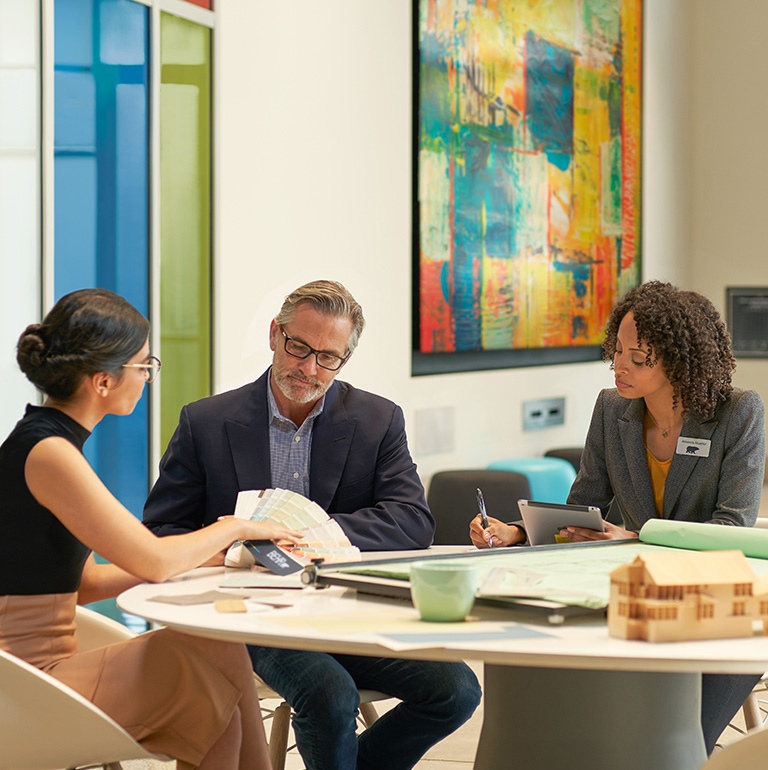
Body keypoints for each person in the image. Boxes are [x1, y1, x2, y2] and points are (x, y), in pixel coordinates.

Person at [143, 279, 482, 770]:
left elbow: (412, 520)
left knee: (455, 689)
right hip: (250, 618)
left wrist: (316, 538)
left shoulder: (376, 419)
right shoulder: (207, 422)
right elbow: (162, 534)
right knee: (327, 692)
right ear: (274, 334)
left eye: (328, 357)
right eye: (298, 347)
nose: (308, 368)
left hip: (344, 611)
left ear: (344, 359)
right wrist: (235, 547)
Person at [0, 288, 303, 770]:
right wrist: (233, 527)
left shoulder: (46, 444)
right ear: (103, 380)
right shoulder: (50, 453)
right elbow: (153, 560)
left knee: (216, 644)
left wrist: (204, 558)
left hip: (37, 674)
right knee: (202, 688)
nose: (148, 377)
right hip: (24, 684)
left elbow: (85, 584)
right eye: (144, 366)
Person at [469, 280, 766, 754]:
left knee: (672, 741)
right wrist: (518, 531)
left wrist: (635, 536)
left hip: (719, 604)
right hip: (630, 596)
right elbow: (584, 502)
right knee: (592, 723)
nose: (619, 366)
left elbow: (732, 527)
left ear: (681, 360)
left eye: (639, 357)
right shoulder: (613, 410)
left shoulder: (739, 413)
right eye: (617, 351)